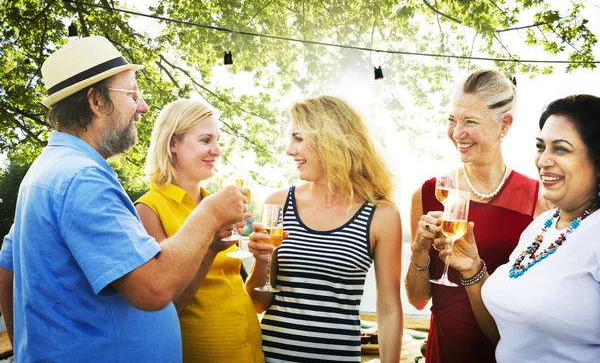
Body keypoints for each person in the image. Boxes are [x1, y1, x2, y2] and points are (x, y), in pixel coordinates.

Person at [0, 36, 248, 361]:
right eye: (132, 94)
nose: (143, 107)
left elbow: (7, 272)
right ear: (97, 102)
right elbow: (153, 288)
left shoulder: (50, 171)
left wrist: (25, 351)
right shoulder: (82, 178)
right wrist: (211, 212)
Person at [440, 94, 600, 362]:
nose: (543, 160)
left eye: (560, 149)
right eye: (541, 146)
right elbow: (507, 336)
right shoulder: (541, 225)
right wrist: (472, 268)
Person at [245, 95, 404, 363]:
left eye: (298, 138)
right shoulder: (278, 203)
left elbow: (388, 308)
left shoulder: (382, 215)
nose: (288, 150)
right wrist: (261, 261)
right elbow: (258, 303)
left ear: (331, 140)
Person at [405, 69, 547, 362]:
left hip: (507, 351)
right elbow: (418, 300)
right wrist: (419, 251)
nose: (457, 133)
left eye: (470, 121)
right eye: (452, 120)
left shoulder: (539, 201)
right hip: (445, 349)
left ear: (504, 125)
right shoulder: (428, 193)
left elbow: (538, 302)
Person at [135, 99, 264, 362]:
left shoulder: (216, 204)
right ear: (173, 144)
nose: (216, 150)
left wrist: (263, 260)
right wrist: (209, 248)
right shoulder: (149, 209)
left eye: (217, 140)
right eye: (205, 140)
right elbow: (167, 305)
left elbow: (240, 290)